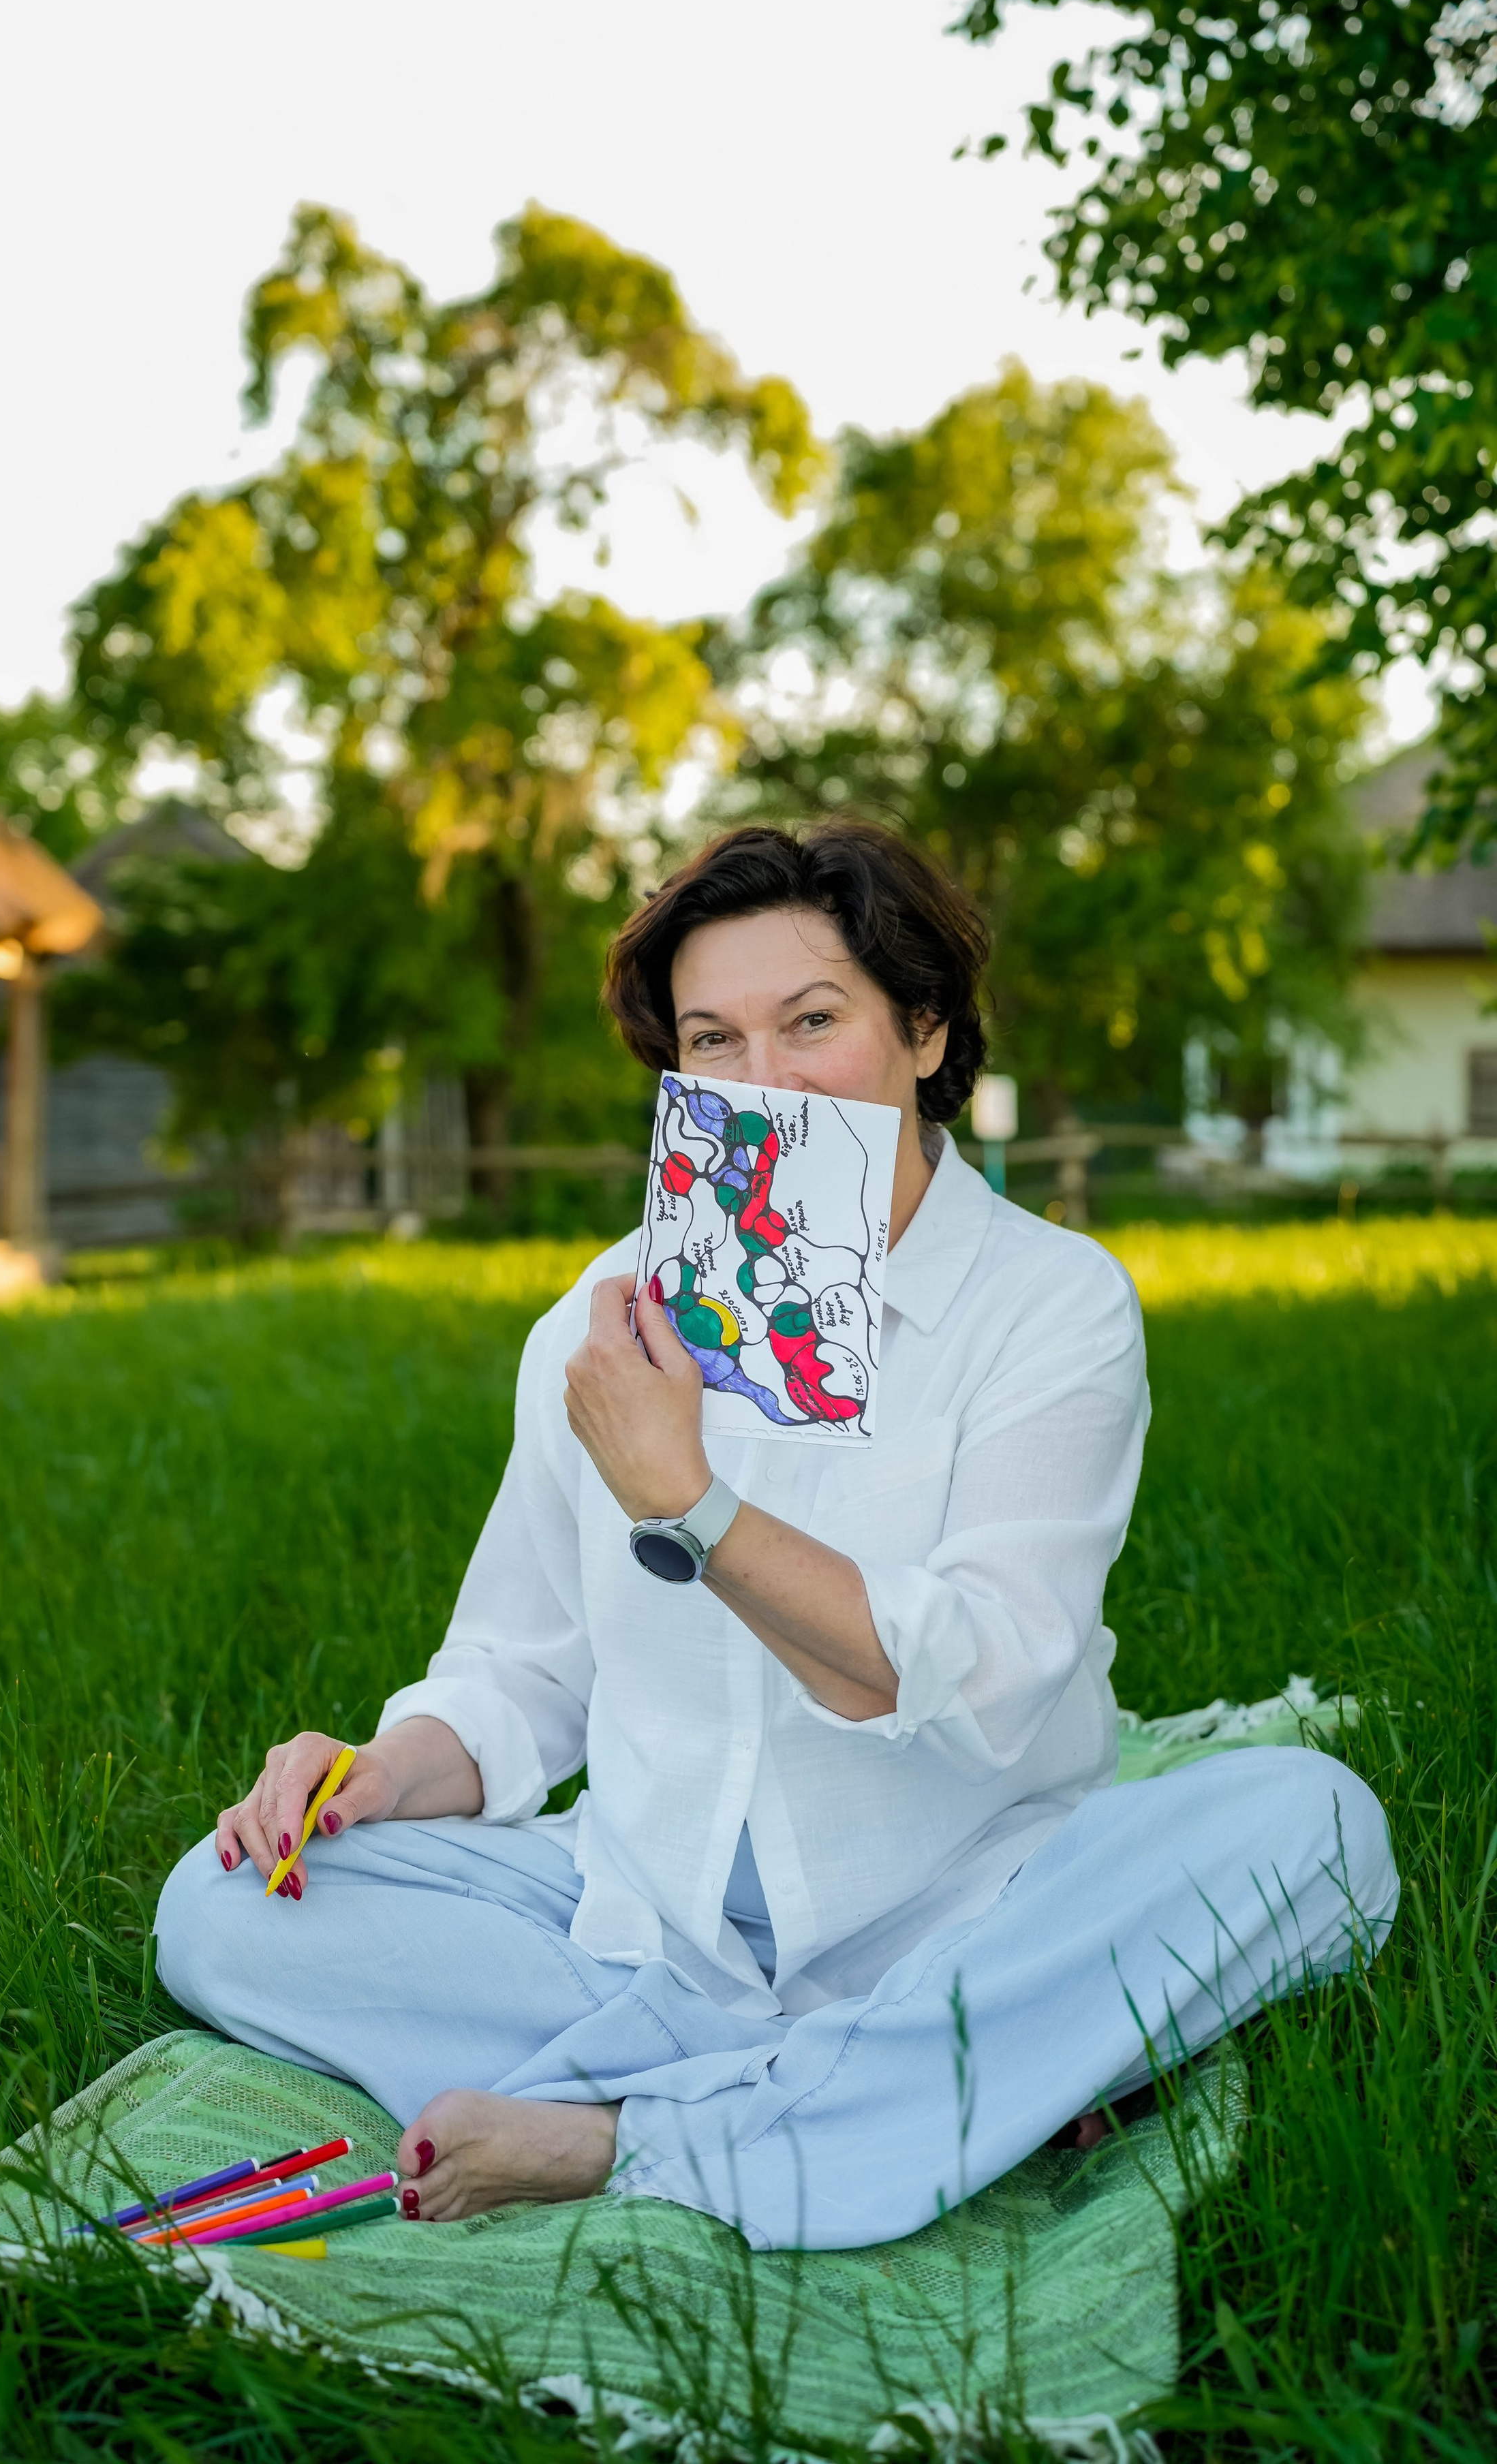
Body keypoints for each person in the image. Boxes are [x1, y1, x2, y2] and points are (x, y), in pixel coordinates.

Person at [155, 822, 1398, 2252]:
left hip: (967, 1915)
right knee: (221, 1904)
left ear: (922, 1033)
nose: (765, 1085)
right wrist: (373, 1774)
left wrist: (693, 1504)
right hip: (641, 1917)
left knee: (1313, 1828)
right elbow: (522, 1675)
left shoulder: (1051, 1305)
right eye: (713, 1041)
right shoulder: (604, 1315)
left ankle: (630, 2134)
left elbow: (972, 1674)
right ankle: (895, 2097)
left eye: (811, 1022)